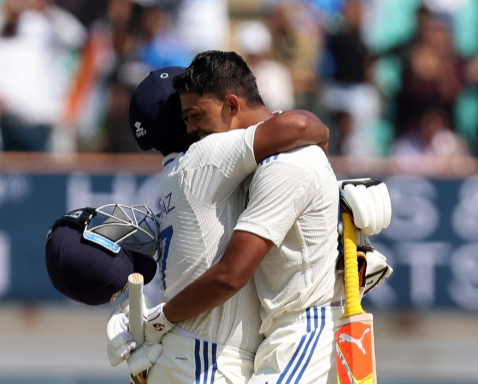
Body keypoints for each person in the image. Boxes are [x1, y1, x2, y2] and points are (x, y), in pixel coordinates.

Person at [111, 51, 392, 384]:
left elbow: (230, 274)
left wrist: (157, 322)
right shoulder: (249, 162)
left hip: (300, 329)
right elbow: (307, 127)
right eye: (185, 118)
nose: (193, 128)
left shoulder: (281, 163)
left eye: (196, 115)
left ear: (231, 105)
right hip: (275, 333)